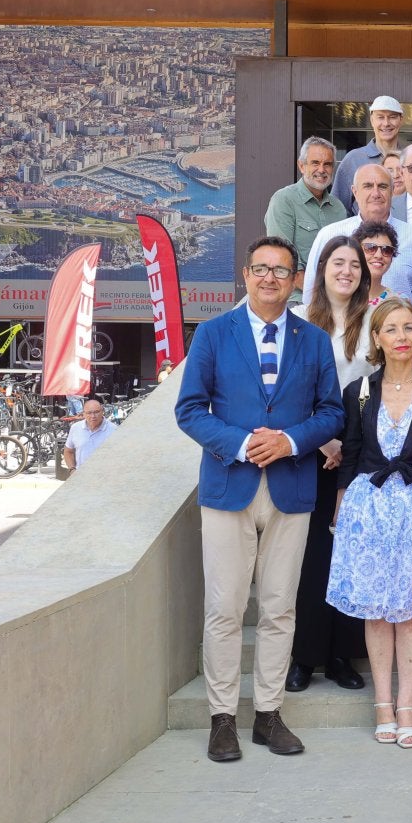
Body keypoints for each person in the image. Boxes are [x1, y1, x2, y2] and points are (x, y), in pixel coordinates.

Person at [175, 235, 345, 762]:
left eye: (282, 270)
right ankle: (222, 718)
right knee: (225, 608)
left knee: (279, 607)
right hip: (230, 485)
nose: (271, 278)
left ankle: (268, 715)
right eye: (261, 269)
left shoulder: (314, 340)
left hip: (292, 487)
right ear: (245, 275)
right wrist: (243, 443)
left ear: (296, 280)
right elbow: (190, 409)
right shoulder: (212, 334)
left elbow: (332, 412)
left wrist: (290, 440)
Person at [329, 298, 412, 749]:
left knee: (410, 611)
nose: (401, 336)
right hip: (369, 509)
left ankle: (407, 704)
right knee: (376, 610)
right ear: (378, 339)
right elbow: (349, 454)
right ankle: (382, 703)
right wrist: (342, 505)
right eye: (391, 329)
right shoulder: (359, 392)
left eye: (409, 328)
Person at [285, 236, 373, 694]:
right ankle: (305, 656)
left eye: (354, 264)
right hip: (311, 452)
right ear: (322, 270)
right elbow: (291, 388)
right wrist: (323, 440)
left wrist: (347, 444)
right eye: (337, 263)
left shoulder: (374, 319)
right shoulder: (299, 321)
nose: (346, 271)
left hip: (359, 453)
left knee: (351, 555)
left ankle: (342, 655)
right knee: (313, 555)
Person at [303, 163, 412, 304]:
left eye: (382, 187)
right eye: (367, 186)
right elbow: (312, 291)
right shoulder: (330, 235)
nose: (376, 193)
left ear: (392, 191)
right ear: (355, 191)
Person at [264, 136, 346, 299]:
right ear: (301, 166)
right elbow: (283, 258)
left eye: (327, 164)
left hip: (332, 300)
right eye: (315, 163)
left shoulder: (339, 209)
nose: (321, 170)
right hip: (295, 300)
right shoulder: (284, 200)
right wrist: (319, 295)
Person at [62, 399, 116, 473]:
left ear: (102, 411)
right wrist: (72, 469)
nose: (93, 416)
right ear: (83, 414)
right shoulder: (75, 428)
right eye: (89, 413)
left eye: (96, 412)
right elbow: (68, 451)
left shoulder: (114, 429)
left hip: (105, 477)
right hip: (81, 477)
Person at [354, 222, 402, 306]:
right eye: (370, 248)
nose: (378, 255)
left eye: (387, 250)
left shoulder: (398, 303)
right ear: (356, 252)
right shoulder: (341, 296)